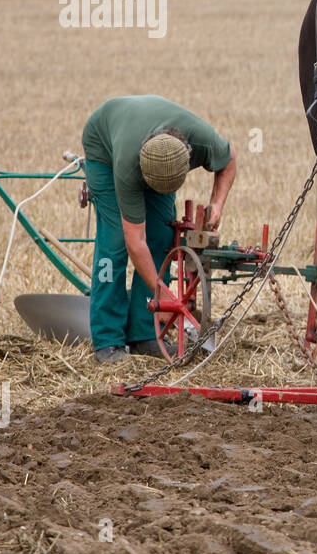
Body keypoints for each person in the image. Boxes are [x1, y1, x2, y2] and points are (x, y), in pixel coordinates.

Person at [81, 96, 237, 365]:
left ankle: (144, 333)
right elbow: (135, 242)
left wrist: (217, 205)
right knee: (114, 242)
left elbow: (229, 160)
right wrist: (162, 292)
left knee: (162, 234)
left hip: (151, 150)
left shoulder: (202, 140)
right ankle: (108, 339)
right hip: (104, 150)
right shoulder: (127, 166)